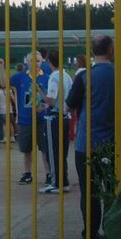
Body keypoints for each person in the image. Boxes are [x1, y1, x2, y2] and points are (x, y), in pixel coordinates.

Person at [66, 36, 115, 239]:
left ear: (93, 52)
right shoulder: (119, 74)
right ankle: (113, 237)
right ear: (111, 49)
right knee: (112, 191)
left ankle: (91, 238)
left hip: (86, 145)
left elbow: (69, 105)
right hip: (112, 144)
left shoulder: (86, 76)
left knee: (90, 193)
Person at [11, 51, 50, 185]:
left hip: (42, 119)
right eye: (32, 61)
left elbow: (52, 98)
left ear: (42, 62)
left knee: (45, 149)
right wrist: (1, 68)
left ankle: (49, 174)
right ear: (27, 62)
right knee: (26, 149)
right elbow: (4, 83)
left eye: (38, 61)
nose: (35, 63)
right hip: (25, 119)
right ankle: (27, 173)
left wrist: (44, 106)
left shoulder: (47, 77)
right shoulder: (20, 77)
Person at [39, 50, 72, 193]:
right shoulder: (67, 76)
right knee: (63, 152)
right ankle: (63, 180)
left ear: (49, 62)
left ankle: (55, 182)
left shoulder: (53, 77)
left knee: (52, 151)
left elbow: (51, 100)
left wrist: (39, 91)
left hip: (54, 118)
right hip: (65, 117)